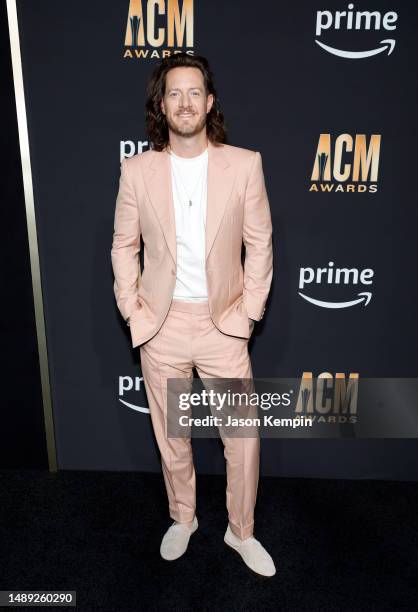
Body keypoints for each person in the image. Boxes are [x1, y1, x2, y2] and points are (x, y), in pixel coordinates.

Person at [111, 53, 275, 577]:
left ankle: (240, 530)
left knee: (242, 438)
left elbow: (260, 244)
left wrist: (247, 314)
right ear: (162, 105)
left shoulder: (245, 164)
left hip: (223, 323)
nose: (185, 103)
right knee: (172, 437)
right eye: (174, 94)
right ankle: (183, 517)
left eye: (194, 92)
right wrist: (135, 311)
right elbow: (123, 247)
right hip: (161, 326)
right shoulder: (137, 170)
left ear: (209, 102)